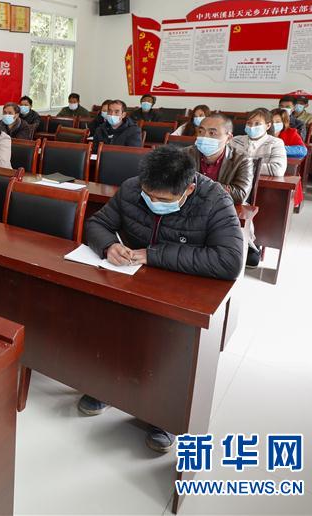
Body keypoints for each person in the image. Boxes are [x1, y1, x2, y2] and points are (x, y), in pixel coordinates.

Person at [82, 145, 244, 452]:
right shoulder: (132, 188)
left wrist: (154, 255)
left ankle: (163, 417)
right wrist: (108, 246)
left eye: (164, 200)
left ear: (189, 189)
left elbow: (229, 260)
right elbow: (97, 223)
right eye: (149, 196)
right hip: (132, 279)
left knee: (170, 350)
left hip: (181, 289)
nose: (154, 203)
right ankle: (106, 387)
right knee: (110, 326)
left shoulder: (215, 199)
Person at [187, 113, 254, 204]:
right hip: (190, 205)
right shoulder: (186, 154)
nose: (204, 137)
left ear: (228, 138)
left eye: (212, 133)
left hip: (222, 208)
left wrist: (199, 185)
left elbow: (240, 195)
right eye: (200, 132)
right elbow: (174, 186)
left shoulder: (242, 159)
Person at [230, 108, 286, 177]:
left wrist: (241, 166)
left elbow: (277, 170)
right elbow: (224, 164)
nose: (252, 126)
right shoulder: (235, 140)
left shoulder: (276, 143)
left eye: (257, 123)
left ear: (268, 126)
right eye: (249, 123)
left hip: (262, 182)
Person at [271, 107, 306, 209]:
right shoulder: (263, 132)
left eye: (278, 122)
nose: (274, 124)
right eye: (271, 121)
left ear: (284, 123)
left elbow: (302, 151)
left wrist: (280, 149)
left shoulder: (290, 132)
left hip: (285, 170)